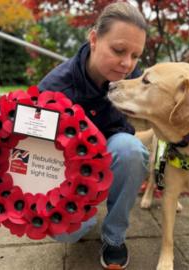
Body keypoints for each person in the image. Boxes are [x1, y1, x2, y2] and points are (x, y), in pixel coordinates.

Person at [38, 2, 148, 269]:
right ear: (94, 39)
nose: (127, 64)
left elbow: (130, 129)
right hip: (66, 170)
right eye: (119, 50)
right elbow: (34, 157)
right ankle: (85, 212)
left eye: (135, 55)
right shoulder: (54, 90)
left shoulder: (128, 79)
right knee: (68, 232)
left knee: (131, 151)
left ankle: (114, 236)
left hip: (109, 151)